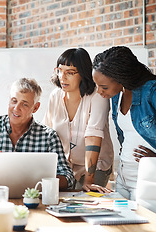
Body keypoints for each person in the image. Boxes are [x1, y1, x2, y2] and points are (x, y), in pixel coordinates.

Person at [92, 46, 156, 200]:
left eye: (103, 87)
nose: (99, 91)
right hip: (123, 176)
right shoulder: (116, 94)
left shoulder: (151, 90)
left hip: (147, 177)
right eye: (97, 86)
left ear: (121, 78)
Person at [0, 77, 75, 190]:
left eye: (24, 104)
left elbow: (68, 178)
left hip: (34, 202)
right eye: (14, 101)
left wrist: (35, 179)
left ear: (35, 107)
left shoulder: (48, 136)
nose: (16, 108)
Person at [43, 48, 114, 193]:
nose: (62, 77)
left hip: (96, 165)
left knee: (85, 200)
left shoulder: (97, 96)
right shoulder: (55, 96)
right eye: (60, 70)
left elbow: (93, 137)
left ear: (83, 73)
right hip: (65, 166)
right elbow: (47, 132)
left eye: (70, 73)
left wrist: (89, 180)